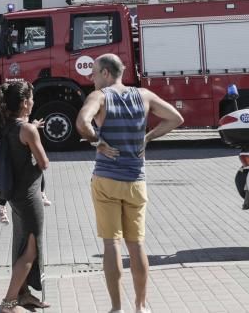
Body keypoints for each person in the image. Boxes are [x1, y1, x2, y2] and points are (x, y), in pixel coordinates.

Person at [76, 54, 183, 313]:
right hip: (136, 179)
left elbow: (82, 122)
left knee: (111, 243)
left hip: (106, 179)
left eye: (93, 73)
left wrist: (97, 141)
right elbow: (176, 118)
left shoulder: (100, 97)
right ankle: (141, 306)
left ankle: (116, 308)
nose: (91, 78)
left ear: (105, 73)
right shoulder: (144, 96)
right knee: (136, 245)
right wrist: (148, 137)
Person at [0, 81, 51, 313]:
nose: (33, 102)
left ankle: (23, 295)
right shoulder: (28, 130)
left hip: (15, 197)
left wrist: (30, 130)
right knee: (30, 250)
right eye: (31, 98)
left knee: (20, 246)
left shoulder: (4, 127)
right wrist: (34, 136)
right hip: (30, 198)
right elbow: (44, 163)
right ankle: (9, 303)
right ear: (23, 103)